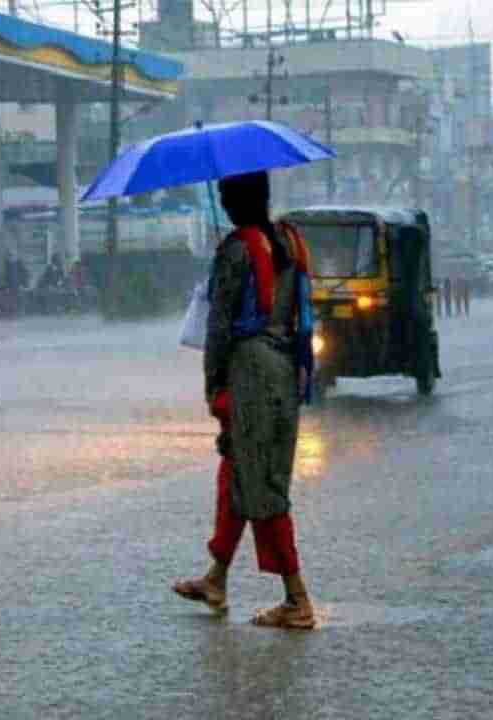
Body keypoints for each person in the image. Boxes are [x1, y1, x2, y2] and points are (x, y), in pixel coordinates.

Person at [173, 171, 317, 630]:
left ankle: (297, 599)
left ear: (236, 201)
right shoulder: (291, 242)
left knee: (262, 485)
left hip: (250, 371)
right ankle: (216, 578)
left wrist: (214, 384)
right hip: (284, 366)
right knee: (240, 470)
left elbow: (218, 326)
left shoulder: (236, 250)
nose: (224, 203)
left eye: (225, 195)